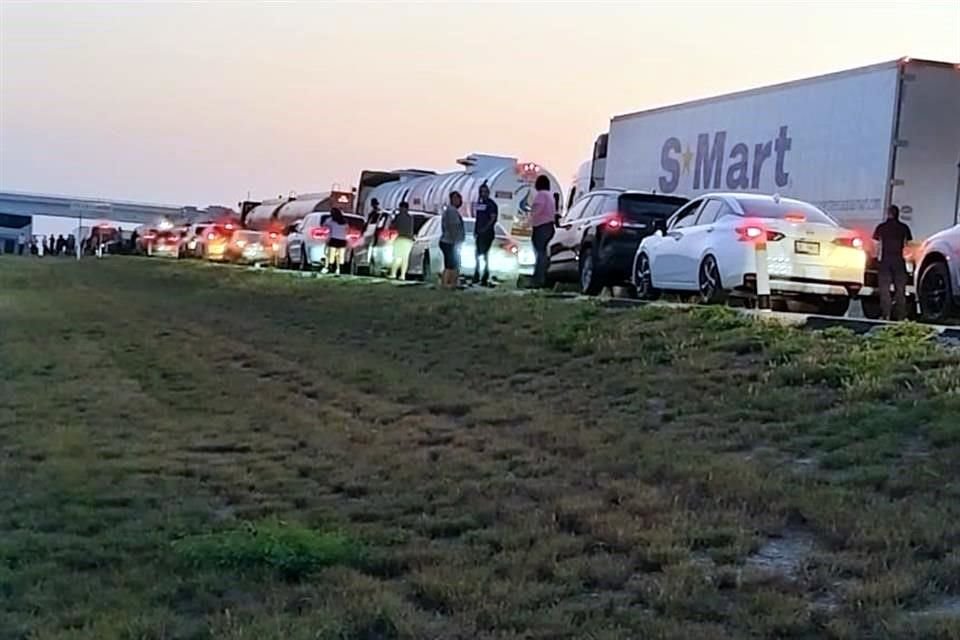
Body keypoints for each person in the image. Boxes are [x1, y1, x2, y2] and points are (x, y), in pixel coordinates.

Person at [872, 204, 913, 321]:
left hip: (885, 261)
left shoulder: (881, 227)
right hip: (899, 262)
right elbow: (907, 246)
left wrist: (875, 258)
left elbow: (876, 245)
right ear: (897, 214)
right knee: (900, 290)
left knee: (884, 290)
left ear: (888, 214)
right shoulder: (904, 228)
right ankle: (901, 316)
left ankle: (886, 315)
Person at [530, 175, 557, 288]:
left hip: (541, 226)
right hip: (550, 226)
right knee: (545, 254)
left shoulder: (541, 195)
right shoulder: (550, 196)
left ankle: (538, 279)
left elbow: (537, 209)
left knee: (540, 253)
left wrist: (530, 218)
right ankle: (545, 278)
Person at [473, 182, 499, 286]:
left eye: (484, 192)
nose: (483, 194)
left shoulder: (491, 204)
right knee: (477, 254)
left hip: (487, 233)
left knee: (484, 254)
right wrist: (476, 230)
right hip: (479, 233)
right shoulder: (479, 204)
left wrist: (485, 229)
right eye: (481, 192)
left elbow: (493, 218)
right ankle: (477, 273)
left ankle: (484, 274)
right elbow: (478, 218)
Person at [439, 191, 465, 289]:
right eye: (458, 199)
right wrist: (456, 241)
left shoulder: (450, 211)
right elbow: (453, 227)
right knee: (452, 265)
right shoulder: (452, 211)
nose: (460, 201)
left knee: (451, 264)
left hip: (448, 241)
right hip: (450, 242)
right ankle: (449, 284)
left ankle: (449, 283)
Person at [390, 201, 415, 281]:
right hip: (409, 240)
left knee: (396, 257)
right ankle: (402, 275)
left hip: (400, 238)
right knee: (405, 258)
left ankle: (393, 273)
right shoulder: (410, 218)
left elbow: (393, 226)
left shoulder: (398, 217)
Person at [323, 207, 349, 275]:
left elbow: (324, 225)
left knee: (331, 255)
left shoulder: (331, 221)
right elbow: (347, 229)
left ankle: (330, 267)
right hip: (342, 240)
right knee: (340, 256)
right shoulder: (345, 222)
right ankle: (339, 269)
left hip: (334, 239)